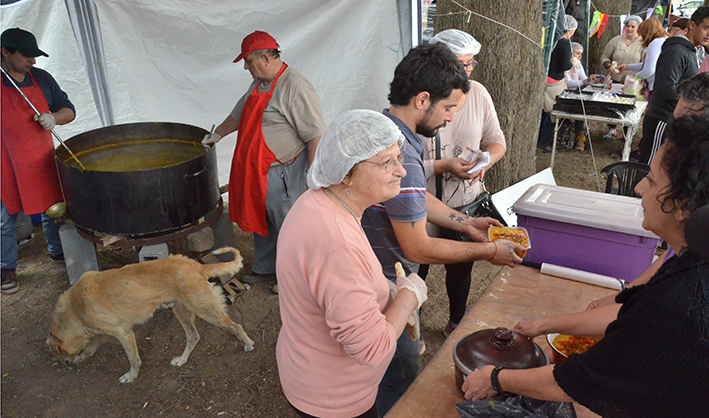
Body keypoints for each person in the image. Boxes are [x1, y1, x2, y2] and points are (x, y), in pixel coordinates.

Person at [462, 115, 709, 417]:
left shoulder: (683, 298)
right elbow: (630, 315)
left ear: (684, 206)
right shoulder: (693, 259)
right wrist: (546, 325)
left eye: (652, 180)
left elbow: (578, 380)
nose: (639, 188)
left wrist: (496, 378)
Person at [361, 42, 524, 417]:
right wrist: (488, 252)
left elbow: (414, 201)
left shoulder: (384, 128)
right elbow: (418, 249)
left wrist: (465, 223)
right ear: (422, 100)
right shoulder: (402, 151)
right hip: (381, 281)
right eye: (449, 107)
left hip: (374, 268)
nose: (451, 118)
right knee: (400, 372)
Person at [275, 109, 426, 418]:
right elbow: (372, 349)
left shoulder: (318, 201)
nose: (401, 171)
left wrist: (382, 289)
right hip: (335, 399)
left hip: (307, 368)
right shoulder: (336, 242)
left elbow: (331, 286)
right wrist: (409, 296)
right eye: (388, 162)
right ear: (346, 172)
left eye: (399, 158)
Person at [203, 31, 325, 294]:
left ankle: (295, 279)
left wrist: (311, 175)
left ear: (266, 58)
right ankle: (265, 267)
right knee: (263, 220)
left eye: (248, 61)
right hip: (258, 170)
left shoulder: (295, 87)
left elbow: (315, 134)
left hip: (285, 173)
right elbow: (239, 112)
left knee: (290, 227)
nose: (246, 67)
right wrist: (218, 134)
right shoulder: (259, 83)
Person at [418, 29, 507, 338]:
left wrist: (486, 161)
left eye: (471, 64)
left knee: (461, 267)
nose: (467, 71)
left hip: (465, 200)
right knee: (417, 265)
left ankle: (456, 324)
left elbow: (497, 142)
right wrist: (441, 166)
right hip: (423, 203)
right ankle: (410, 326)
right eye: (460, 64)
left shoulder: (479, 93)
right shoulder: (419, 98)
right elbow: (403, 164)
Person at [1, 28, 75, 294]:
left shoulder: (42, 78)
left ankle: (56, 251)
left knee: (52, 209)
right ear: (5, 52)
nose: (33, 61)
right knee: (3, 218)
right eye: (27, 55)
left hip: (39, 158)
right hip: (4, 162)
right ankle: (5, 267)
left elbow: (69, 111)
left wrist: (54, 117)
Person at [635, 7, 709, 164]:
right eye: (706, 28)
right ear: (691, 25)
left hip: (676, 120)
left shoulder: (696, 51)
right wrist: (694, 104)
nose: (708, 34)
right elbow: (665, 89)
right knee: (649, 167)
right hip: (662, 119)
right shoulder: (676, 51)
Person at [538, 15, 577, 153]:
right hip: (555, 81)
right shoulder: (564, 43)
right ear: (571, 30)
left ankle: (538, 137)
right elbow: (564, 65)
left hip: (544, 77)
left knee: (542, 110)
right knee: (553, 112)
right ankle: (544, 141)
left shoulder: (549, 38)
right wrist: (571, 63)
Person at [616, 17, 669, 98]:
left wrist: (633, 77)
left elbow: (649, 70)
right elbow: (650, 63)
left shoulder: (655, 43)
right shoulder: (665, 40)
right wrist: (628, 67)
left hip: (655, 87)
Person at [601, 15, 644, 84]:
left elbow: (645, 64)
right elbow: (604, 57)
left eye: (633, 27)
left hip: (633, 83)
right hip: (614, 81)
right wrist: (609, 66)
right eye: (627, 26)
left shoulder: (642, 43)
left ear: (638, 28)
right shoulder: (615, 41)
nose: (629, 28)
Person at [566, 42, 590, 151]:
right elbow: (569, 83)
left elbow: (583, 78)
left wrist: (589, 80)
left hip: (574, 93)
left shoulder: (578, 66)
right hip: (564, 92)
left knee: (582, 105)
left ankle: (580, 134)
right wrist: (584, 81)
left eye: (581, 54)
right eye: (577, 54)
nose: (579, 57)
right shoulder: (565, 66)